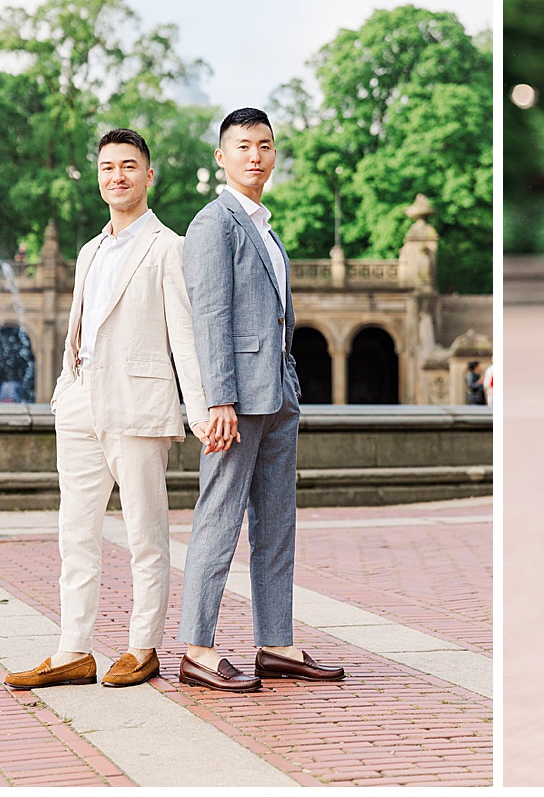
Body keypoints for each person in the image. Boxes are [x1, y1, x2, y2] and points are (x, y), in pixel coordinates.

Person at [4, 128, 220, 692]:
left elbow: (186, 339)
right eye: (106, 167)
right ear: (98, 177)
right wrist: (62, 391)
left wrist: (200, 413)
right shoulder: (89, 251)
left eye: (128, 166)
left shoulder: (168, 248)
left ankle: (140, 646)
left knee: (146, 535)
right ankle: (73, 649)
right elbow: (80, 328)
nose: (116, 176)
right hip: (80, 404)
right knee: (74, 533)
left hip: (140, 406)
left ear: (149, 176)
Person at [178, 108, 345, 692]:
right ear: (221, 157)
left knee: (276, 524)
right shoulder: (213, 224)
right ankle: (197, 650)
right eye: (243, 146)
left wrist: (289, 380)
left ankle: (277, 644)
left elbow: (277, 319)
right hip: (236, 403)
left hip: (277, 396)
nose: (256, 155)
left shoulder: (266, 228)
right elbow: (210, 316)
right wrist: (218, 399)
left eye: (265, 145)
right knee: (218, 519)